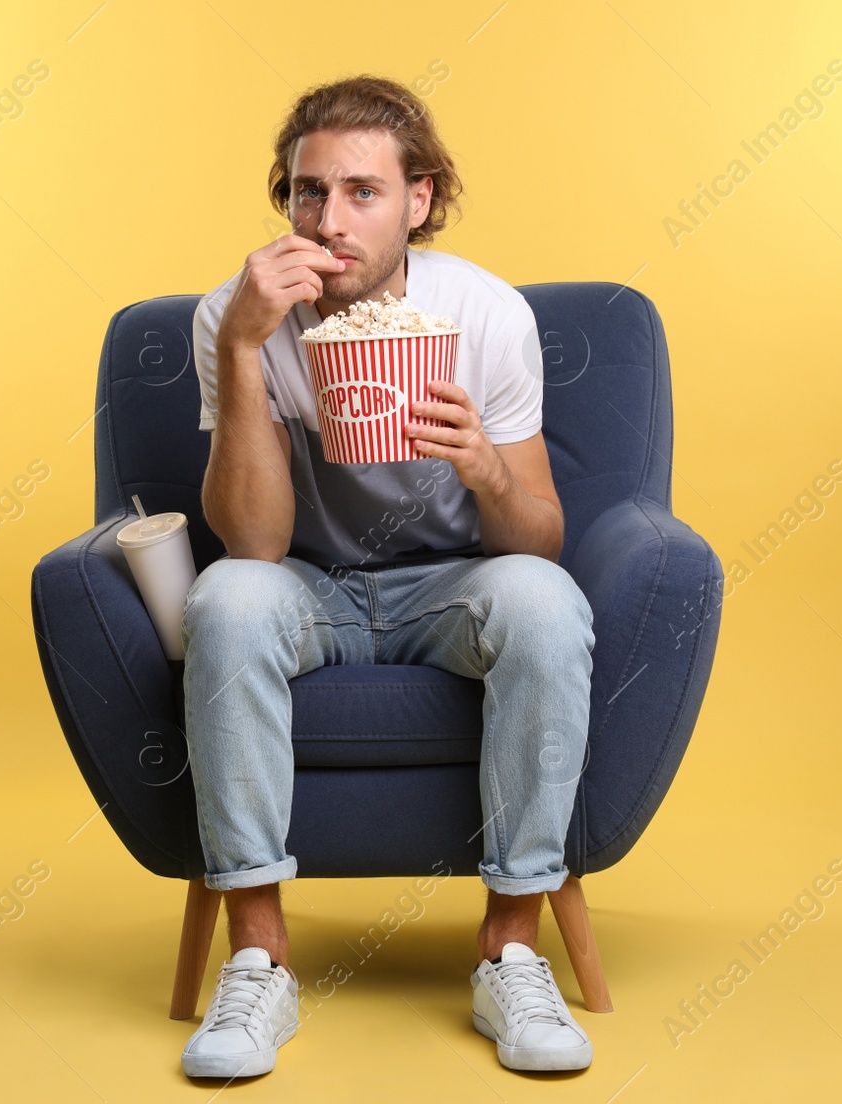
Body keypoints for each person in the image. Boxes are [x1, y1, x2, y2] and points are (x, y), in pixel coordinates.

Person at [179, 74, 596, 1080]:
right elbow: (255, 545)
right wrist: (242, 349)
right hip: (306, 585)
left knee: (546, 603)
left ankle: (509, 949)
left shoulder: (485, 314)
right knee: (226, 601)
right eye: (306, 192)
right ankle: (259, 960)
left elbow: (537, 537)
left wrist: (483, 464)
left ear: (422, 198)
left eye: (361, 192)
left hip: (448, 583)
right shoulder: (232, 318)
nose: (327, 222)